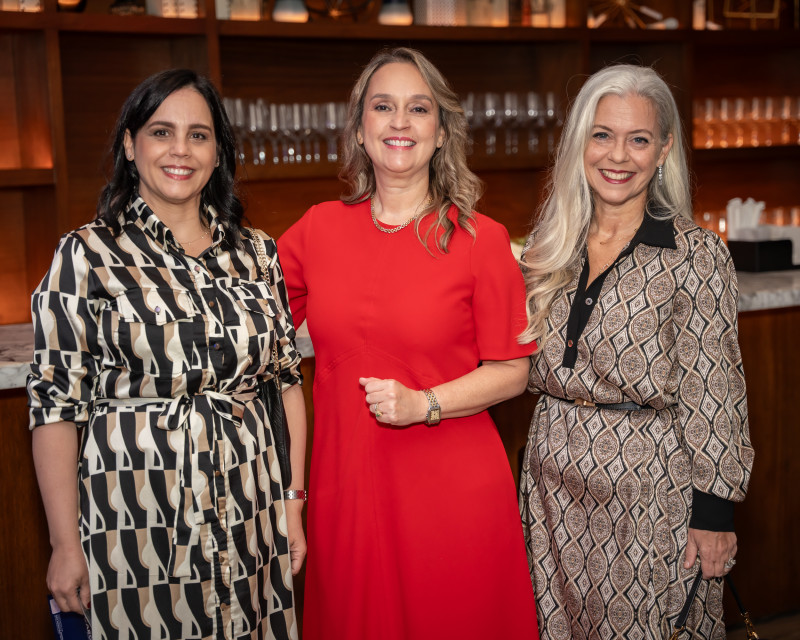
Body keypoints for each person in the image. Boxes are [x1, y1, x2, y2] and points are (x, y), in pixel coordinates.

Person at [27, 68, 307, 640]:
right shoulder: (86, 255)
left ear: (219, 151)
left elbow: (286, 384)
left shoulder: (258, 253)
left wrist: (292, 504)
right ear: (130, 145)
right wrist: (63, 545)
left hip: (250, 512)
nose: (180, 150)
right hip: (138, 520)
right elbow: (56, 408)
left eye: (199, 135)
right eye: (161, 132)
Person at [277, 47, 540, 640]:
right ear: (360, 128)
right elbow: (246, 317)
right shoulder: (317, 228)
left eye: (418, 109)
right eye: (383, 107)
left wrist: (424, 403)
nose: (400, 122)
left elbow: (513, 370)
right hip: (346, 487)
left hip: (450, 489)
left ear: (442, 132)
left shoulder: (480, 238)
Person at [517, 64, 754, 639]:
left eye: (638, 139)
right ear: (579, 143)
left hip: (648, 498)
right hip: (549, 491)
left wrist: (715, 514)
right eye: (602, 134)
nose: (617, 155)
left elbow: (716, 393)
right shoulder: (548, 247)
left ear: (663, 149)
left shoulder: (694, 255)